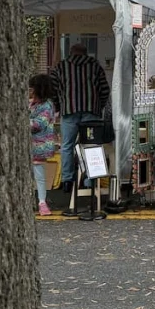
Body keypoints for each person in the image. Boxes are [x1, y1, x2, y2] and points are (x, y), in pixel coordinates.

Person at [51, 43, 110, 190]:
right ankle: (90, 181)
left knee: (66, 146)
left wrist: (59, 106)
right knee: (91, 145)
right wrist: (98, 106)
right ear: (86, 53)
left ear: (71, 52)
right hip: (91, 111)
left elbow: (53, 90)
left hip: (69, 111)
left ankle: (67, 181)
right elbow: (104, 89)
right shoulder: (95, 66)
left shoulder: (60, 67)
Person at [28, 74, 57, 216]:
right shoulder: (34, 104)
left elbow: (39, 124)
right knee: (35, 175)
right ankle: (38, 201)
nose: (30, 91)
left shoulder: (46, 106)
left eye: (32, 88)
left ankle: (42, 202)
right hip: (32, 145)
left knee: (39, 175)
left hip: (38, 146)